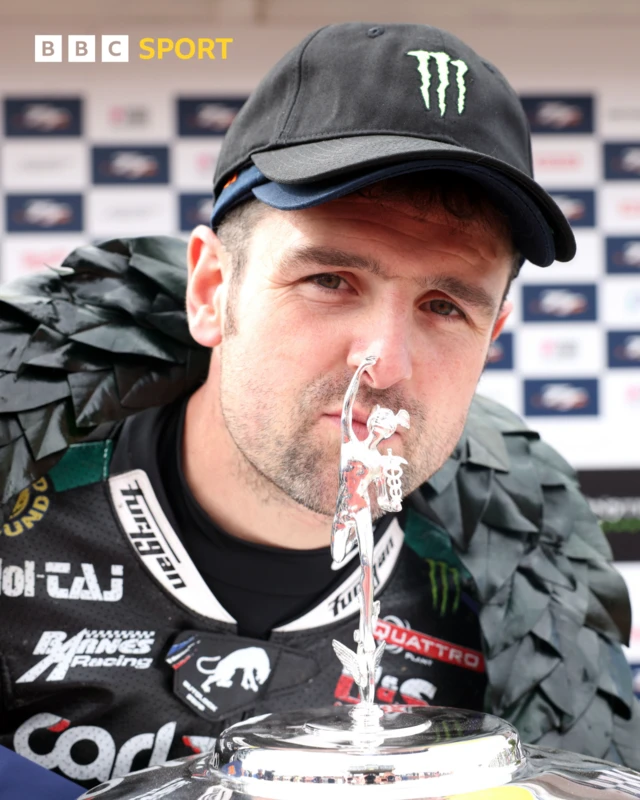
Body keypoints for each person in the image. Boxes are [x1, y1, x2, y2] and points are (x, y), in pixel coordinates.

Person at [0, 22, 637, 791]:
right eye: (330, 280)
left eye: (443, 306)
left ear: (492, 333)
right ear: (211, 291)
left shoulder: (509, 574)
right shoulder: (24, 510)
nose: (385, 364)